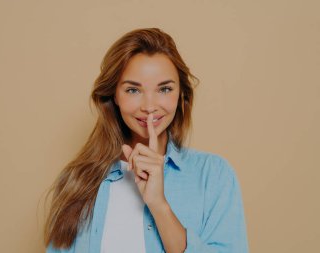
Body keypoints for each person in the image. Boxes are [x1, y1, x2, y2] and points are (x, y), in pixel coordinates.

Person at [44, 28, 249, 253]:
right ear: (114, 96)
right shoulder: (76, 180)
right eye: (133, 90)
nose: (149, 106)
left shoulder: (213, 175)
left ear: (181, 93)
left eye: (164, 89)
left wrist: (159, 205)